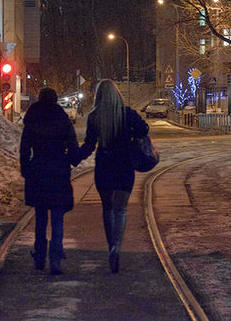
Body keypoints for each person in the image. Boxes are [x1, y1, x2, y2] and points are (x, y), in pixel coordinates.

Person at [77, 79, 149, 273]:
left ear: (99, 96)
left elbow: (89, 145)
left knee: (107, 209)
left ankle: (111, 248)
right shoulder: (128, 114)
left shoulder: (94, 117)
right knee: (121, 210)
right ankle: (117, 247)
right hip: (124, 166)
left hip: (104, 166)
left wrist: (73, 157)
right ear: (117, 94)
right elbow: (145, 129)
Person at [19, 87, 81, 274]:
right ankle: (55, 258)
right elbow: (72, 147)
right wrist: (74, 156)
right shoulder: (61, 118)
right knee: (57, 217)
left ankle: (39, 256)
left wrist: (26, 169)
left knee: (40, 217)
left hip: (38, 171)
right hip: (58, 172)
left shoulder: (33, 118)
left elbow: (24, 148)